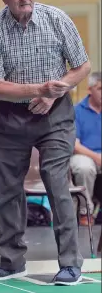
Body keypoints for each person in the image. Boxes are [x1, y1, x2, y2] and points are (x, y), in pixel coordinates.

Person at [0, 0, 91, 284]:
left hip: (55, 117)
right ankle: (12, 260)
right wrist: (39, 89)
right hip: (8, 117)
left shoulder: (56, 19)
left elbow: (82, 66)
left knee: (56, 183)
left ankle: (70, 264)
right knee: (4, 190)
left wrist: (54, 94)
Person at [70, 72, 101, 226]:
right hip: (85, 154)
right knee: (83, 167)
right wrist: (97, 157)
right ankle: (85, 212)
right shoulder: (77, 111)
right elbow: (74, 145)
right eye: (100, 88)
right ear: (90, 89)